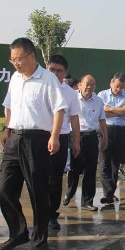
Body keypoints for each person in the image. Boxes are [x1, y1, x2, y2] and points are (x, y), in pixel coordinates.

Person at [0, 38, 67, 250]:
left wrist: (55, 136)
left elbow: (59, 109)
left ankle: (39, 239)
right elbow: (8, 106)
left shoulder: (48, 78)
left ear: (31, 56)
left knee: (38, 191)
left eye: (19, 59)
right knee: (5, 189)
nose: (16, 63)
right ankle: (18, 233)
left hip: (37, 139)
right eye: (12, 59)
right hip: (15, 137)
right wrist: (7, 128)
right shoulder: (15, 78)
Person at [46, 55, 81, 228]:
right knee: (37, 176)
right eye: (52, 69)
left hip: (60, 138)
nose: (55, 73)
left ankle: (52, 214)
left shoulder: (70, 93)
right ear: (46, 68)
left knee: (55, 178)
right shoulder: (39, 86)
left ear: (65, 73)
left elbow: (74, 118)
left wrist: (76, 141)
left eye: (59, 71)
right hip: (39, 136)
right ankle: (40, 213)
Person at [64, 74, 108, 210]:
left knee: (90, 170)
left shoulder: (98, 101)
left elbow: (102, 120)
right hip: (75, 136)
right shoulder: (72, 98)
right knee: (74, 169)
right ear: (80, 85)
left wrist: (105, 137)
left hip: (92, 137)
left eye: (92, 84)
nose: (90, 87)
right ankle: (70, 193)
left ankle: (87, 201)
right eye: (87, 84)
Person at [98, 72, 125, 206]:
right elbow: (101, 113)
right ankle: (108, 194)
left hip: (121, 131)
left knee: (115, 163)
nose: (119, 89)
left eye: (122, 87)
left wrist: (110, 109)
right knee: (104, 162)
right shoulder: (102, 95)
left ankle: (110, 192)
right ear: (111, 83)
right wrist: (120, 110)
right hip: (105, 129)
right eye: (117, 86)